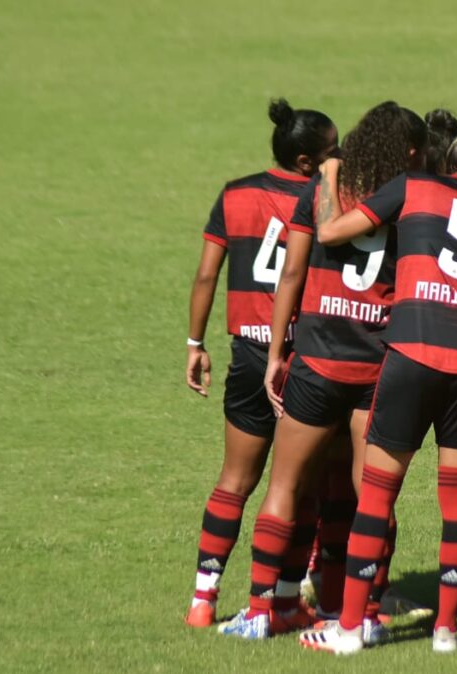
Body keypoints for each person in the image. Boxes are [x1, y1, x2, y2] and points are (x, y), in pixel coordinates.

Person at [298, 128, 457, 655]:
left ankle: (350, 628)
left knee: (376, 493)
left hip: (414, 351)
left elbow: (330, 232)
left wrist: (328, 176)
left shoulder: (413, 185)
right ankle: (446, 630)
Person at [216, 102, 427, 641]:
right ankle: (368, 613)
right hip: (377, 365)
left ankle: (263, 611)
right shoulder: (409, 197)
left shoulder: (322, 190)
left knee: (285, 484)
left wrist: (275, 355)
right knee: (372, 494)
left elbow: (291, 272)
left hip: (316, 361)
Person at [184, 99, 338, 628]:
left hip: (247, 354)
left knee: (234, 480)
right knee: (299, 488)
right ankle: (288, 601)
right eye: (331, 152)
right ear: (304, 162)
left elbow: (206, 276)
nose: (337, 160)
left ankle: (203, 600)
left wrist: (194, 343)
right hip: (303, 357)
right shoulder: (324, 200)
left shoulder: (235, 193)